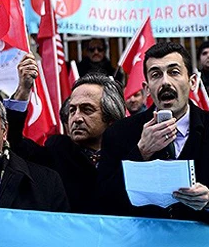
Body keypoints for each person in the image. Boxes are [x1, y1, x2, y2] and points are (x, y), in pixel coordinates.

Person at [97, 41, 209, 226]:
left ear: (192, 82)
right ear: (146, 88)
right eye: (156, 75)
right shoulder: (119, 134)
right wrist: (140, 152)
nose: (165, 82)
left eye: (174, 72)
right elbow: (104, 200)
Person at [8, 74, 125, 214]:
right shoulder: (58, 152)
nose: (76, 118)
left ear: (110, 117)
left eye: (87, 110)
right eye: (72, 110)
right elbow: (14, 144)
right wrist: (23, 92)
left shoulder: (131, 154)